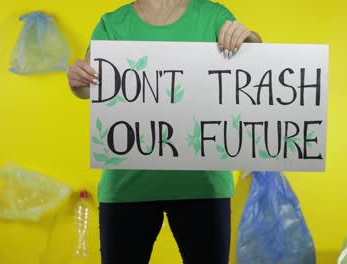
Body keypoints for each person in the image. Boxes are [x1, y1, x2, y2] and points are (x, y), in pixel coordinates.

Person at [67, 0, 262, 263]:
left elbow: (253, 59)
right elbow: (90, 86)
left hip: (203, 185)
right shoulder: (112, 23)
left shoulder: (213, 15)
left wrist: (250, 39)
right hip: (127, 184)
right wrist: (78, 81)